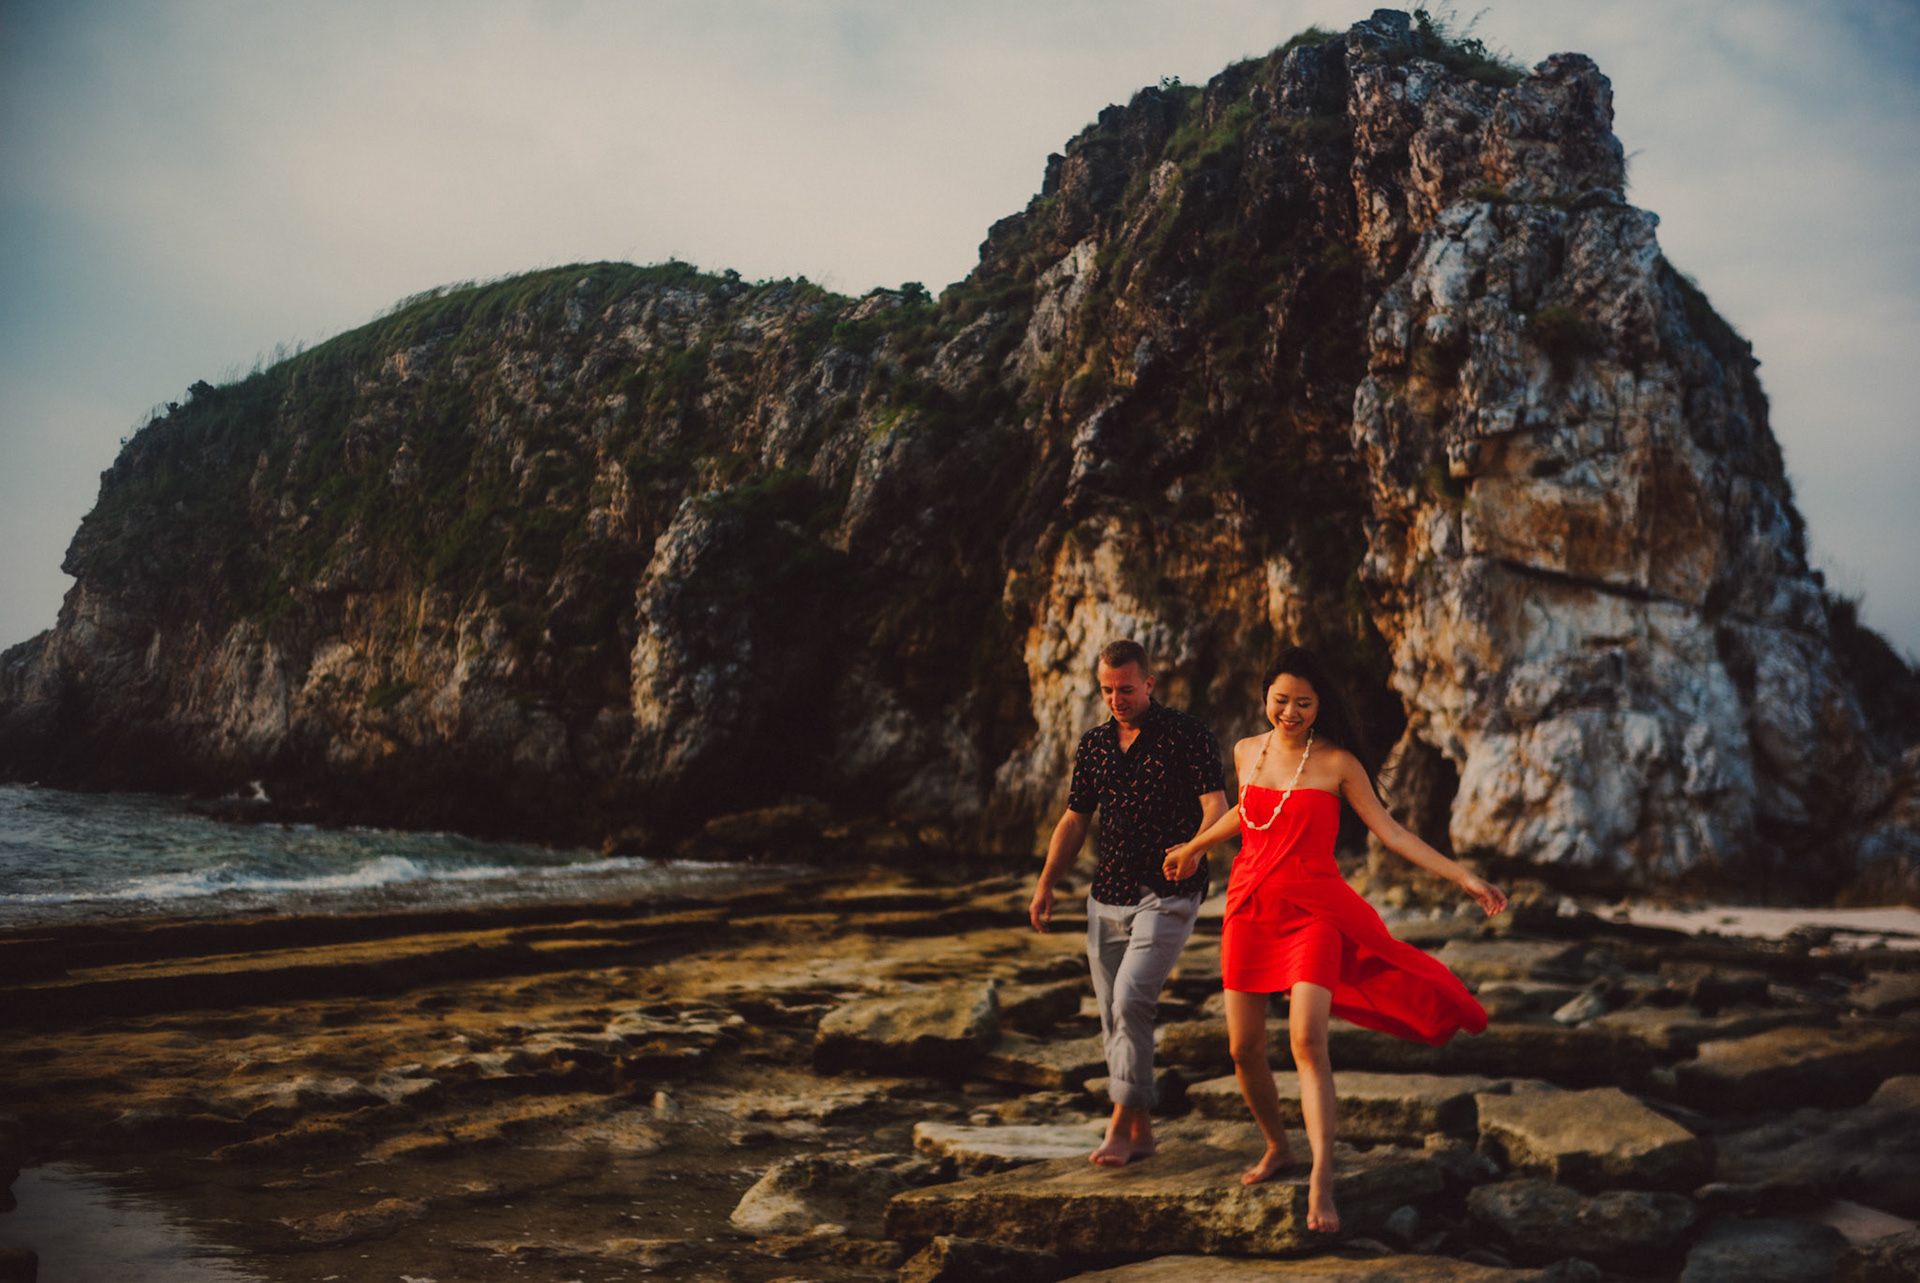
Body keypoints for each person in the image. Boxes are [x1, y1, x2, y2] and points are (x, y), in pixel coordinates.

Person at [1161, 646, 1506, 1234]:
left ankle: (1323, 1174)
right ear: (1264, 696)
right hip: (1248, 907)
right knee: (1243, 1049)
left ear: (1320, 706)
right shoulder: (1248, 750)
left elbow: (1392, 833)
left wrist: (1462, 876)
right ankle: (1279, 1146)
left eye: (1302, 703)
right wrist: (1196, 846)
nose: (1289, 712)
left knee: (1305, 1040)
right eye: (1280, 700)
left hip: (1315, 911)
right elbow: (1247, 814)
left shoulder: (1338, 762)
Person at [1029, 639, 1230, 1167]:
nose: (1116, 698)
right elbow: (1075, 820)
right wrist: (1047, 883)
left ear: (1149, 684)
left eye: (1125, 688)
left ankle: (1119, 1124)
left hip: (1169, 891)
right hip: (1107, 896)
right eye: (1106, 690)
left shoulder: (1188, 736)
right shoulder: (1094, 745)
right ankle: (1142, 1131)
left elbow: (1218, 808)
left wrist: (1192, 850)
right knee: (1112, 1017)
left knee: (1131, 1000)